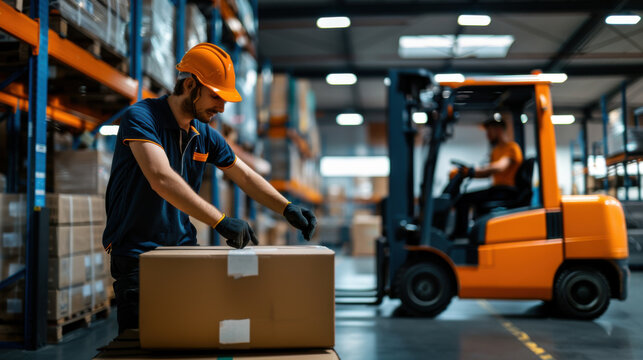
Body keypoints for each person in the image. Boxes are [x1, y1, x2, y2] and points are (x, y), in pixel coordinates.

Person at [102, 43, 317, 333]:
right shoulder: (141, 118)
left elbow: (244, 176)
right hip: (139, 254)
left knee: (187, 337)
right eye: (216, 96)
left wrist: (287, 208)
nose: (222, 107)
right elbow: (160, 178)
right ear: (190, 85)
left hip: (182, 249)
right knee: (144, 346)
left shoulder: (202, 134)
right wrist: (220, 221)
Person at [451, 115, 523, 239]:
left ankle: (460, 235)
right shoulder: (496, 150)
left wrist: (473, 171)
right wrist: (468, 173)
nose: (487, 135)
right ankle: (475, 233)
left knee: (464, 199)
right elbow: (487, 173)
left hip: (507, 191)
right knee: (466, 197)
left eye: (489, 131)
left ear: (499, 129)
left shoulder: (511, 148)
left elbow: (500, 166)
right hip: (497, 189)